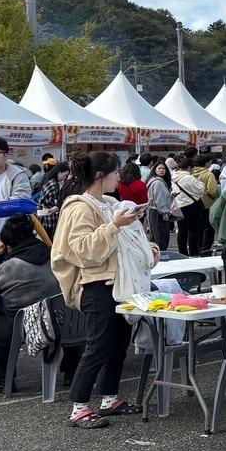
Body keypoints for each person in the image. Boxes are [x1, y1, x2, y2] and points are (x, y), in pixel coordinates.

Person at [50, 151, 157, 429]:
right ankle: (79, 407)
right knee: (97, 346)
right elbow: (84, 251)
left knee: (119, 344)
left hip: (118, 283)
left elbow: (127, 240)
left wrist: (146, 247)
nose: (119, 177)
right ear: (100, 176)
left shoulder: (109, 202)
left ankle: (110, 398)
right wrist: (114, 226)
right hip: (95, 285)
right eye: (115, 172)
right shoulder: (79, 207)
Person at [0, 213, 61, 392]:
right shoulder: (53, 254)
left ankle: (3, 381)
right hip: (62, 321)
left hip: (28, 325)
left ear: (8, 246)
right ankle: (70, 373)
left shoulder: (13, 265)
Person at [170, 157, 210, 257]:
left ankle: (182, 252)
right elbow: (200, 189)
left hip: (179, 205)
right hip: (191, 205)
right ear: (189, 167)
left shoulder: (173, 177)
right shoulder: (189, 178)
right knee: (193, 230)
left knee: (181, 230)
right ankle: (193, 251)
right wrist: (200, 182)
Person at [145, 160, 174, 251]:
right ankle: (161, 258)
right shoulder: (158, 183)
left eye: (164, 168)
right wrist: (165, 212)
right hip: (159, 213)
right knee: (161, 238)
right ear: (155, 170)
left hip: (153, 212)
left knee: (155, 237)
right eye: (159, 168)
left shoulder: (153, 181)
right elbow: (159, 200)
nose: (162, 170)